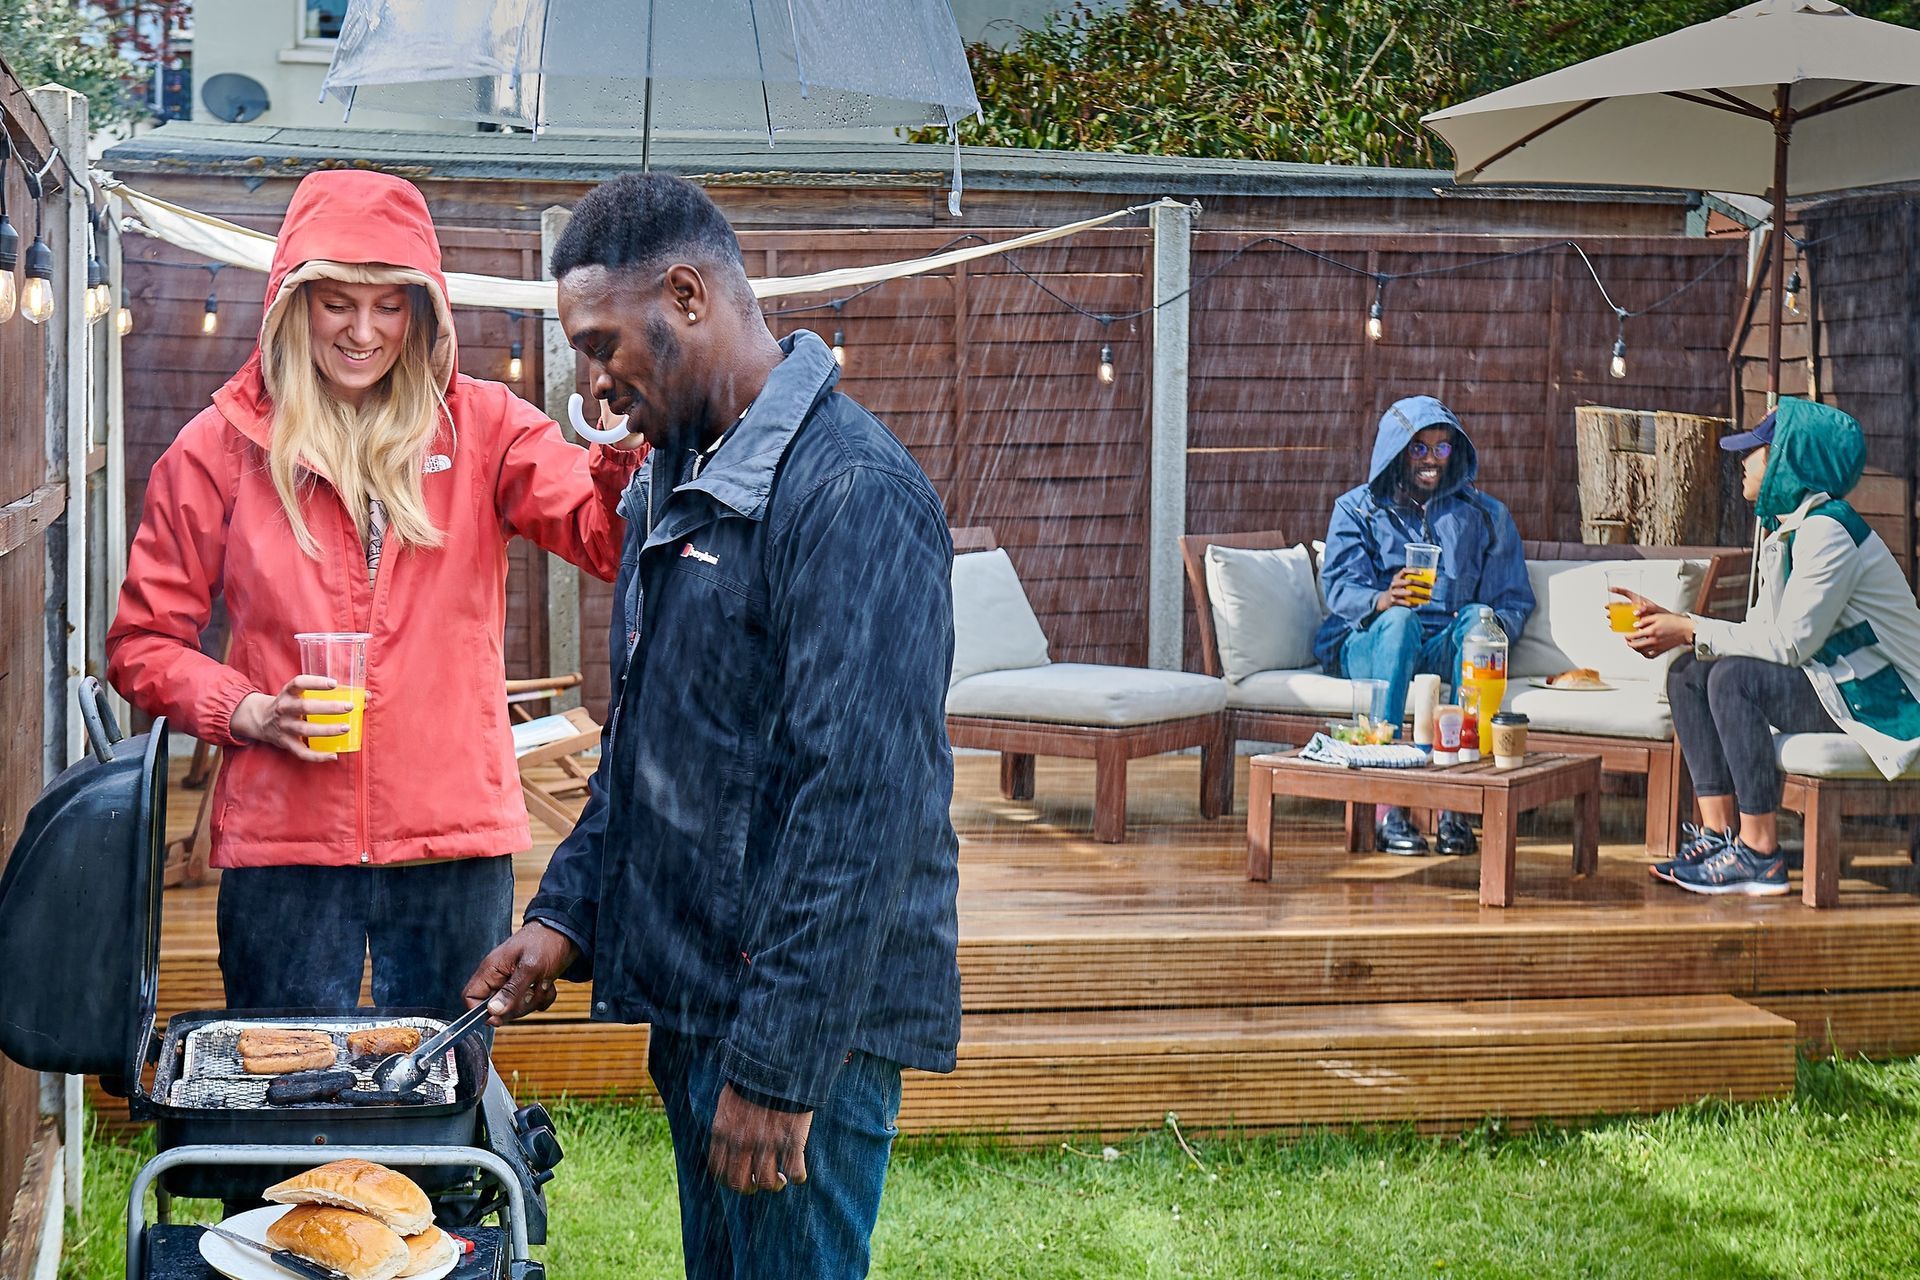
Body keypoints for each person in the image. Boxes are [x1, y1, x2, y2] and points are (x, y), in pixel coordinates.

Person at [463, 174, 961, 1280]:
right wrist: (564, 917)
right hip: (695, 1002)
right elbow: (642, 742)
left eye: (602, 346)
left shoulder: (849, 494)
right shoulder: (670, 479)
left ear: (688, 293)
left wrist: (780, 1067)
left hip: (802, 1028)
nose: (590, 387)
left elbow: (863, 805)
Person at [105, 170, 642, 1010]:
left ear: (422, 310)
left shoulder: (485, 427)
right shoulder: (217, 447)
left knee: (439, 1111)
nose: (363, 332)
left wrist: (616, 445)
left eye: (389, 305)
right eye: (337, 304)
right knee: (285, 1106)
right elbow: (141, 645)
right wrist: (246, 709)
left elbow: (608, 540)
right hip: (284, 849)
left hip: (452, 848)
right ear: (293, 302)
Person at [1626, 398, 1920, 896]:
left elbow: (1788, 645)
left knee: (1732, 677)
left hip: (1890, 701)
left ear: (1787, 460)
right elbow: (1762, 632)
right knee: (1688, 673)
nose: (1743, 462)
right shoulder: (1788, 529)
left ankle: (1759, 852)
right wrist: (1679, 632)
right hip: (1843, 683)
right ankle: (1720, 835)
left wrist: (1691, 626)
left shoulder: (1829, 530)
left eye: (1755, 451)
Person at [1315, 395, 1535, 855]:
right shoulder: (1357, 509)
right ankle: (1388, 804)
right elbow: (1337, 586)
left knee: (1479, 619)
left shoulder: (1485, 515)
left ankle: (1455, 804)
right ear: (1397, 452)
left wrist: (1485, 632)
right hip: (1371, 642)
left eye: (1442, 448)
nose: (1431, 460)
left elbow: (1512, 600)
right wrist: (1382, 597)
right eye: (1419, 448)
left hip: (1441, 646)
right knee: (1399, 622)